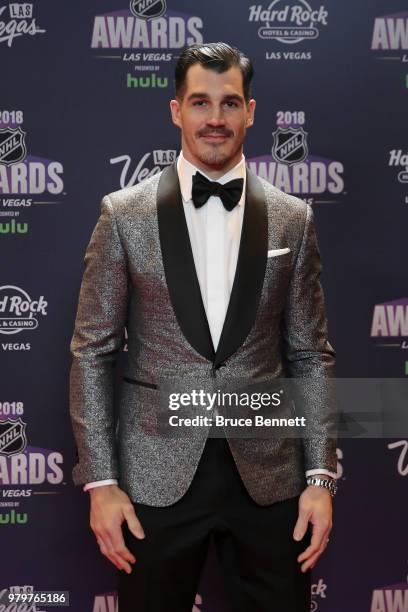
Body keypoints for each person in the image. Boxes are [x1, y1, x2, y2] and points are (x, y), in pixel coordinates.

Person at [69, 41, 338, 612]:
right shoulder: (123, 214)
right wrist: (101, 482)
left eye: (229, 103)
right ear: (175, 110)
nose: (215, 119)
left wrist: (320, 476)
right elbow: (93, 352)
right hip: (153, 476)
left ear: (251, 110)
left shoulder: (295, 217)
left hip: (268, 476)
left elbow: (310, 354)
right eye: (199, 102)